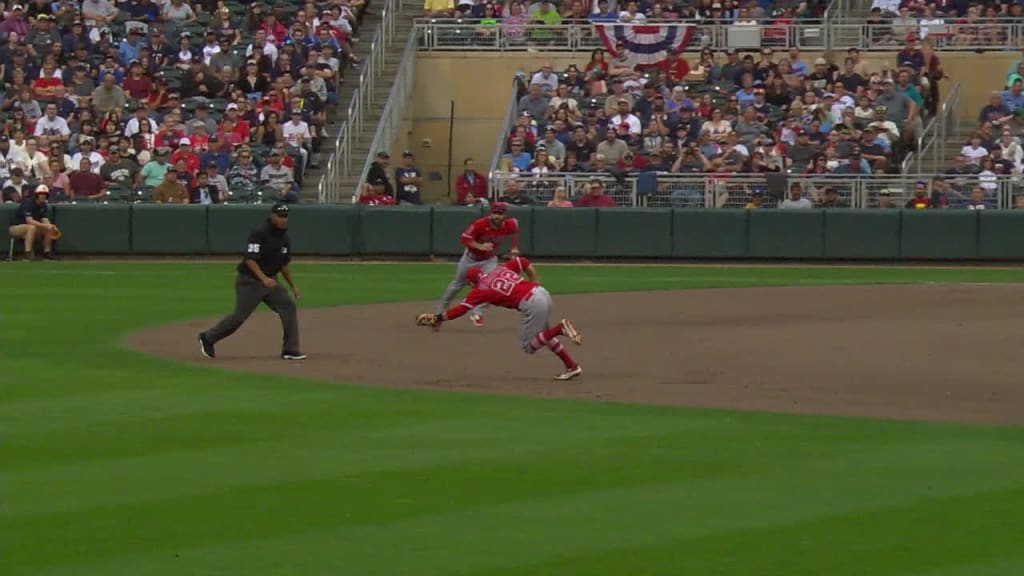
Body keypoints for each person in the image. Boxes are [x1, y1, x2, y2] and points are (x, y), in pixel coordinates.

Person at [416, 256, 584, 381]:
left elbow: (460, 310)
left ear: (471, 283)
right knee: (544, 336)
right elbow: (522, 261)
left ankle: (560, 328)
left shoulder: (479, 289)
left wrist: (438, 317)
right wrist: (535, 281)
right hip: (542, 293)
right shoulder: (499, 270)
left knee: (529, 346)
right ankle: (571, 366)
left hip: (531, 303)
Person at [198, 202, 305, 361]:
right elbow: (249, 259)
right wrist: (264, 279)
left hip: (270, 281)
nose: (283, 219)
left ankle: (290, 349)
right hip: (250, 281)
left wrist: (293, 286)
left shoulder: (284, 238)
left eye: (286, 216)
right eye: (280, 216)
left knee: (288, 307)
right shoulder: (259, 233)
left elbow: (284, 265)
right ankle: (208, 337)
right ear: (272, 216)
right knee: (239, 317)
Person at [435, 202, 519, 328]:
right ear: (490, 213)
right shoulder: (480, 224)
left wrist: (514, 247)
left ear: (504, 215)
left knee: (490, 286)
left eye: (500, 214)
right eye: (494, 213)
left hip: (489, 260)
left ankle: (478, 313)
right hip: (470, 259)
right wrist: (481, 246)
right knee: (456, 286)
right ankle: (438, 316)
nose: (496, 216)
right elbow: (464, 238)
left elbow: (514, 232)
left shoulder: (510, 224)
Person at [8, 185, 58, 261]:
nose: (43, 196)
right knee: (31, 227)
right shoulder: (28, 203)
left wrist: (50, 226)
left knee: (48, 229)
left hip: (33, 229)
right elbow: (29, 220)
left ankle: (47, 253)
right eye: (41, 194)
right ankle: (28, 254)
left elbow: (44, 218)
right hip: (15, 227)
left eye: (45, 194)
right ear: (37, 195)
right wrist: (45, 225)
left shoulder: (43, 205)